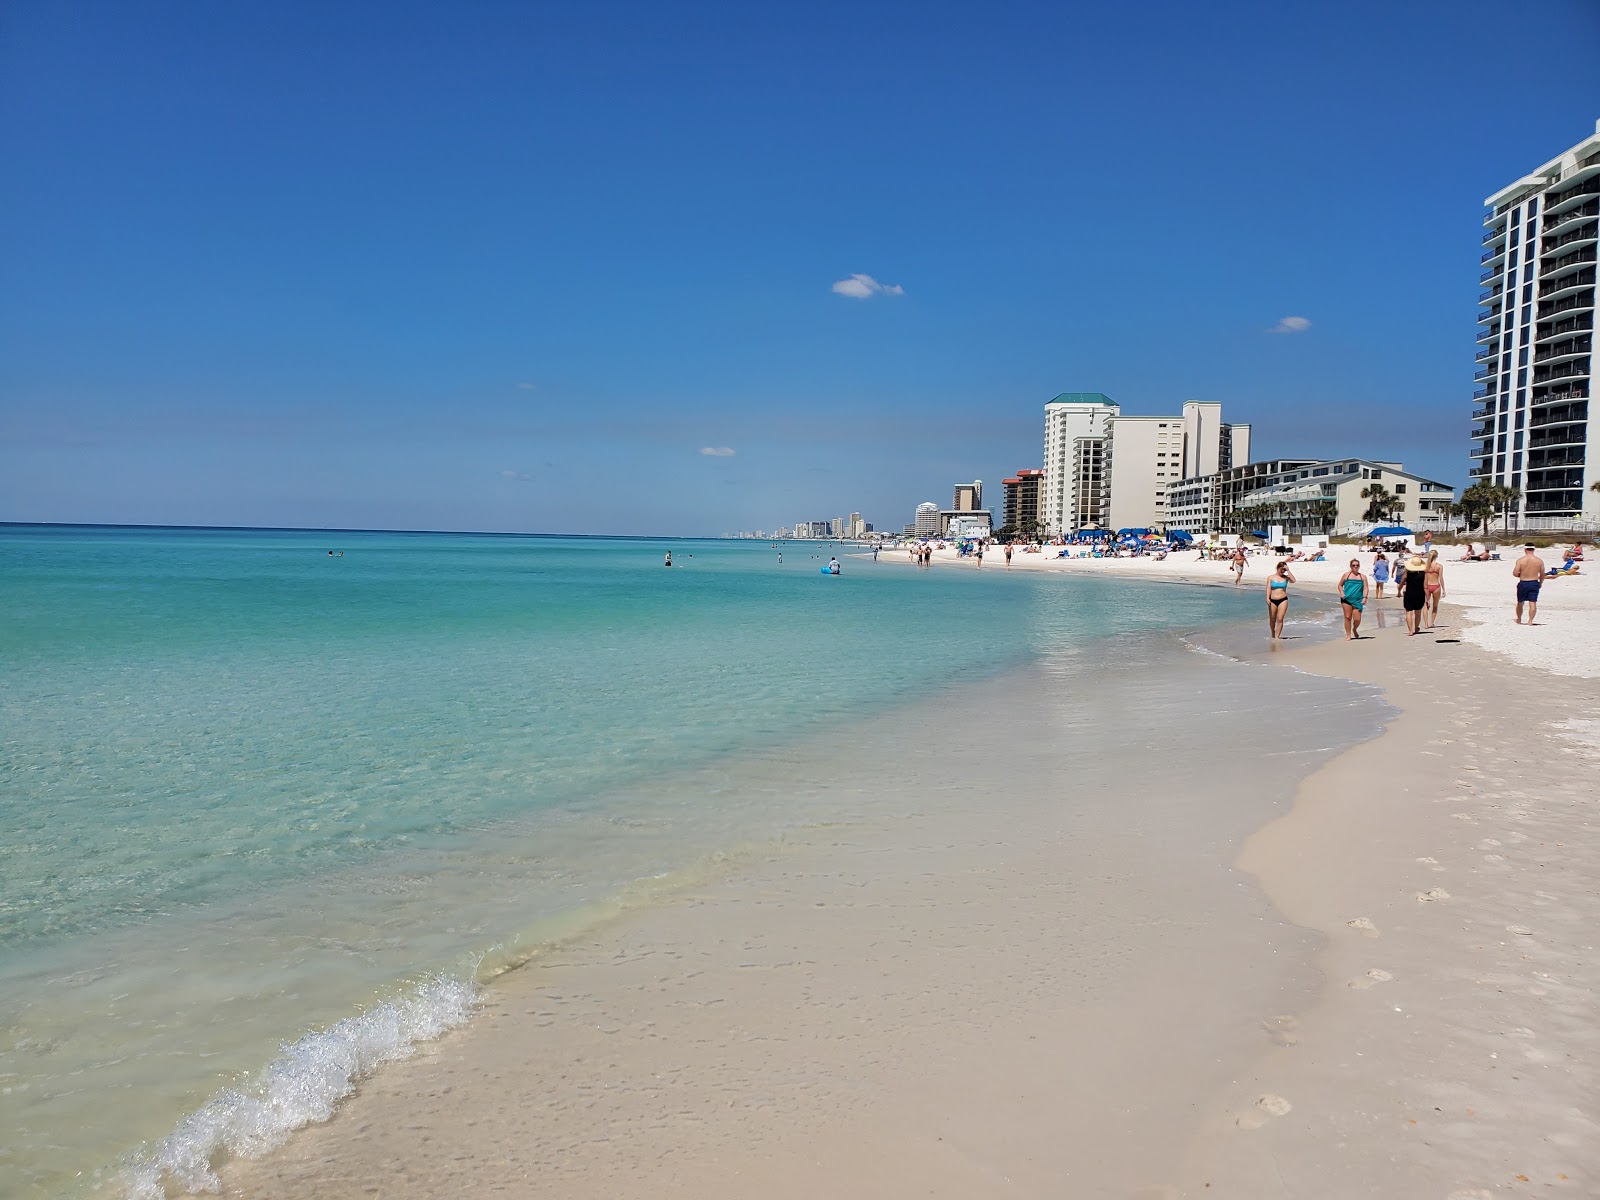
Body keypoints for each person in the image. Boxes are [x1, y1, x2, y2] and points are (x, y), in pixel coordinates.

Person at [1513, 544, 1545, 624]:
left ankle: (1519, 619)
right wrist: (1540, 583)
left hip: (1523, 582)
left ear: (1525, 550)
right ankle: (1530, 621)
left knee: (1520, 602)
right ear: (1533, 550)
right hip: (1534, 582)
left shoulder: (1520, 560)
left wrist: (1523, 575)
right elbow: (1542, 574)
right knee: (1532, 602)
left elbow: (1515, 573)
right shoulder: (1539, 561)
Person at [1338, 558, 1367, 640]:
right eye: (1353, 565)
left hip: (1358, 600)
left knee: (1357, 619)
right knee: (1347, 617)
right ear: (1350, 566)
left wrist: (1365, 597)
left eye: (1357, 565)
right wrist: (1342, 593)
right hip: (1346, 599)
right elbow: (1340, 585)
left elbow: (1366, 588)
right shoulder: (1346, 575)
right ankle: (1348, 635)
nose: (1355, 567)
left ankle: (1354, 629)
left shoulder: (1362, 577)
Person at [1266, 560, 1295, 640]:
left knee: (1280, 618)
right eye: (1281, 569)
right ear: (1277, 568)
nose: (1282, 571)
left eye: (1284, 570)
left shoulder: (1285, 578)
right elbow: (1268, 588)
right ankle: (1272, 633)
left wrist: (1288, 570)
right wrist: (1267, 598)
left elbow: (1293, 580)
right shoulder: (1271, 577)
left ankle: (1277, 637)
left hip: (1283, 600)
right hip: (1272, 600)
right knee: (1272, 619)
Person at [1401, 554, 1427, 635]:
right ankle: (1416, 628)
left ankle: (1410, 631)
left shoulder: (1407, 573)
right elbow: (1425, 586)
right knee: (1418, 612)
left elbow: (1402, 582)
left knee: (1409, 612)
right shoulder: (1423, 574)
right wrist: (1428, 597)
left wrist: (1399, 590)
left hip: (1409, 593)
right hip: (1420, 593)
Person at [1423, 549, 1445, 630]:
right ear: (1437, 556)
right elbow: (1441, 578)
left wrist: (1423, 587)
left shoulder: (1426, 566)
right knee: (1435, 606)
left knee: (1426, 605)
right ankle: (1431, 623)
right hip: (1436, 586)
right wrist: (1444, 589)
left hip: (1427, 586)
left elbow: (1424, 578)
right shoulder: (1439, 566)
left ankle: (1426, 624)